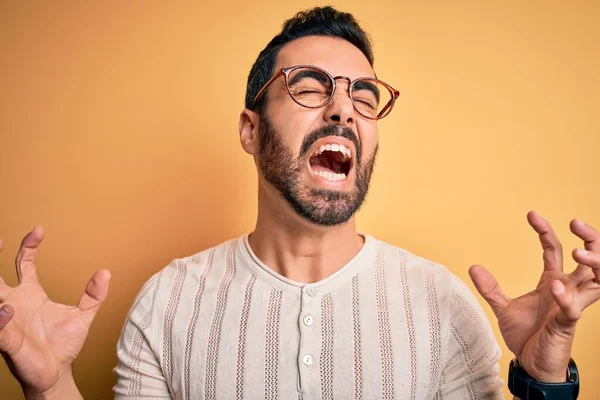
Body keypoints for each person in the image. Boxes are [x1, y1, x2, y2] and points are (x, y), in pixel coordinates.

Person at [0, 6, 598, 400]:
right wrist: (51, 387)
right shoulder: (168, 302)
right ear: (250, 131)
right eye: (309, 88)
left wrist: (545, 375)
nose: (342, 109)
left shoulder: (443, 306)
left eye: (363, 96)